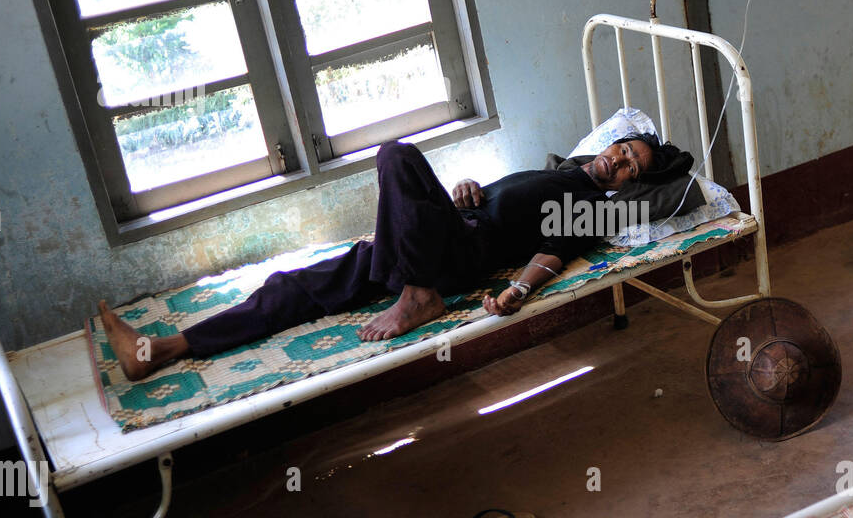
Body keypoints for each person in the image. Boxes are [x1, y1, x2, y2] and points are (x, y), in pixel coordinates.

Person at [98, 135, 681, 381]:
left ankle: (420, 295)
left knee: (396, 156)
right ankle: (160, 351)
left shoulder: (595, 203)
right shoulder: (560, 171)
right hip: (451, 231)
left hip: (463, 256)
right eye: (621, 148)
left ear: (630, 186)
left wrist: (519, 291)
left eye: (632, 168)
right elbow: (505, 203)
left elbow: (555, 249)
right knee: (293, 286)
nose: (619, 162)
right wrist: (470, 187)